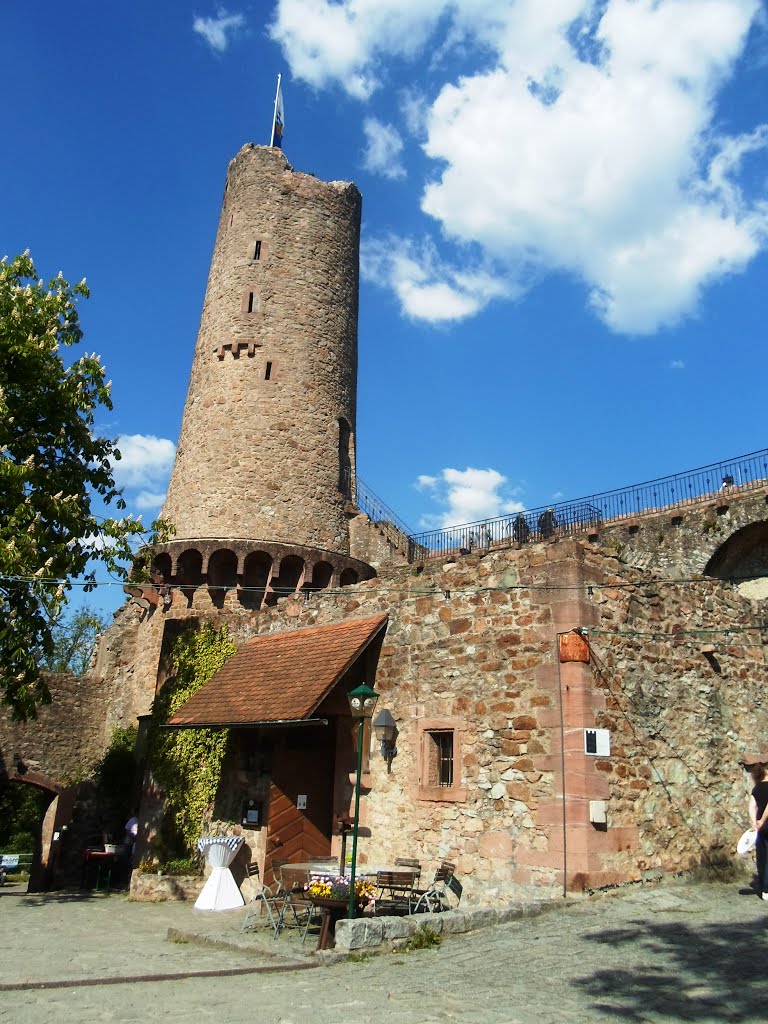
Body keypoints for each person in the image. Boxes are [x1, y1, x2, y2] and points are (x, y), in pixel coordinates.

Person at [749, 764, 768, 898]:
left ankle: (762, 887)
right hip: (766, 824)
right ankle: (766, 889)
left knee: (761, 857)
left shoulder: (756, 788)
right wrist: (762, 820)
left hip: (761, 828)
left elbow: (751, 807)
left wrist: (755, 823)